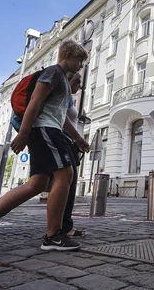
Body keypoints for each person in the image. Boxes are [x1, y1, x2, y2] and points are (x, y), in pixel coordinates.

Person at [0, 40, 90, 253]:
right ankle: (53, 236)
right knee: (65, 175)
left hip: (46, 130)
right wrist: (23, 133)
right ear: (68, 55)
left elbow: (60, 116)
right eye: (79, 60)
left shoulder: (61, 81)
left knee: (37, 184)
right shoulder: (54, 72)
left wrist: (78, 138)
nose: (80, 66)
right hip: (45, 131)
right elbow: (35, 100)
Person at [62, 71, 86, 237]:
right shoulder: (62, 94)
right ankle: (64, 227)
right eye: (77, 82)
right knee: (68, 184)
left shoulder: (67, 96)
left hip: (65, 143)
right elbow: (61, 117)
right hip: (62, 143)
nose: (80, 86)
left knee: (37, 185)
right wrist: (78, 139)